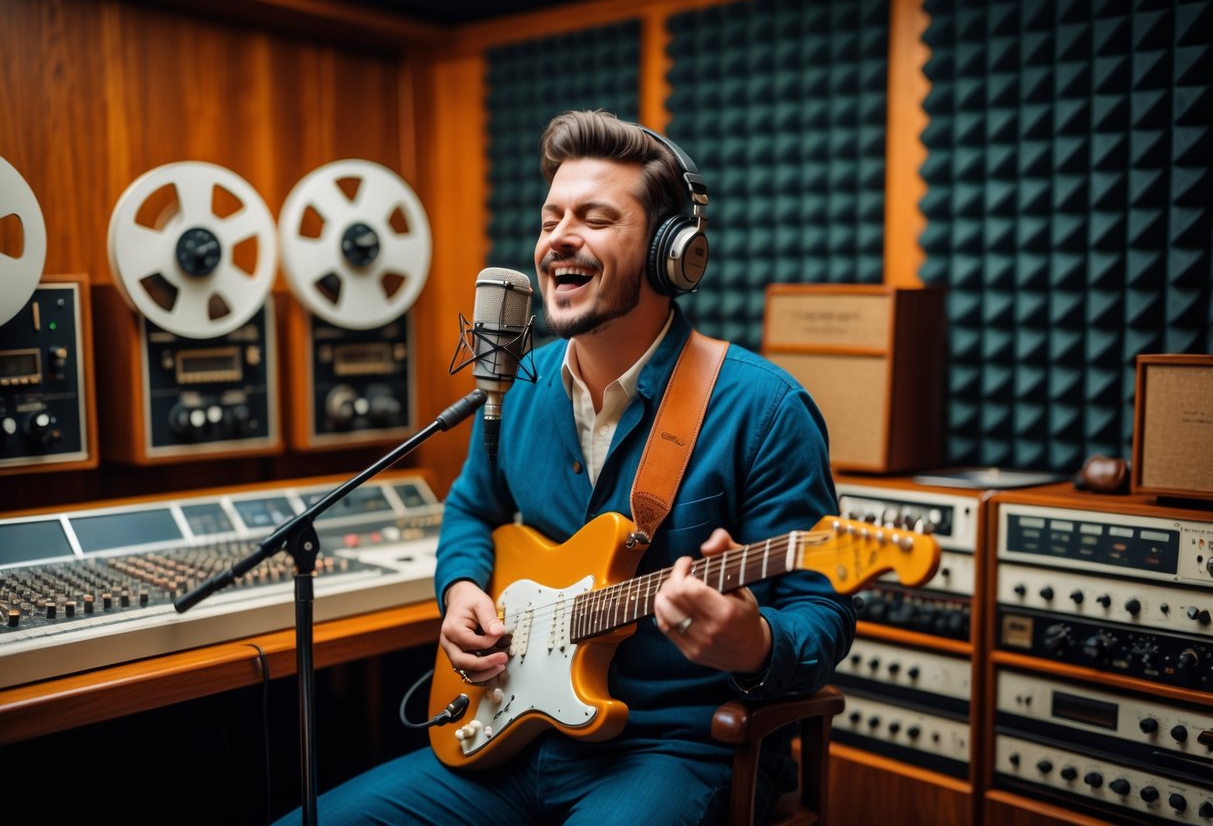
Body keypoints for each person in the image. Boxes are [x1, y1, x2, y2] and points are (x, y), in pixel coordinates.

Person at [277, 109, 854, 825]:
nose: (558, 238)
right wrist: (459, 593)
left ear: (670, 252)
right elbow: (470, 510)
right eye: (550, 218)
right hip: (509, 743)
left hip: (675, 752)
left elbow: (821, 614)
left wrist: (754, 642)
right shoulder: (518, 386)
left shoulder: (763, 408)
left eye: (594, 217)